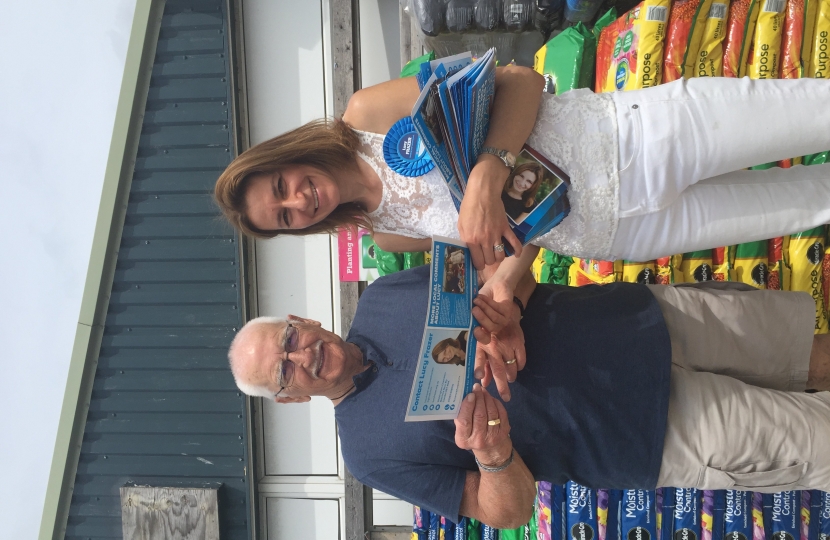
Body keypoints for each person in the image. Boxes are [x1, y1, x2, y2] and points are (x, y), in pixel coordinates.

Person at [227, 264, 830, 530]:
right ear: (289, 400)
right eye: (284, 373)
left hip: (646, 319)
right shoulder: (365, 454)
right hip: (650, 432)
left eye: (289, 339)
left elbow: (509, 257)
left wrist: (507, 302)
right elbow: (504, 512)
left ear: (299, 318)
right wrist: (492, 455)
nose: (301, 356)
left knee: (810, 353)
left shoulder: (386, 293)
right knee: (817, 442)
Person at [214, 68, 830, 277]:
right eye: (287, 218)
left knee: (813, 114)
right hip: (617, 235)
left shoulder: (366, 114)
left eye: (280, 188)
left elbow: (517, 79)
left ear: (285, 158)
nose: (298, 201)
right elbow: (509, 233)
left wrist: (487, 172)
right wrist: (505, 279)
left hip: (633, 138)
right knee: (806, 206)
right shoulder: (387, 235)